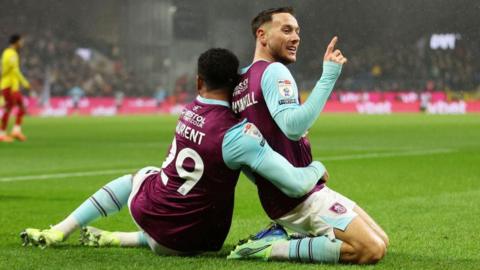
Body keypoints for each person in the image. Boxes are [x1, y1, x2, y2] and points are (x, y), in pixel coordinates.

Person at [21, 48, 329, 255]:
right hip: (201, 240)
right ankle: (122, 238)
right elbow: (296, 183)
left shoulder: (188, 111)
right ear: (235, 83)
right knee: (190, 205)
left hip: (156, 220)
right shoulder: (239, 134)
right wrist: (317, 168)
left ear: (198, 81)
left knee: (140, 177)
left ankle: (61, 231)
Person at [228, 7, 388, 264]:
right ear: (262, 35)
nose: (296, 37)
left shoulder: (240, 82)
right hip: (298, 195)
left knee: (382, 240)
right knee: (371, 250)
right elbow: (292, 126)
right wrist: (328, 76)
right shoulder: (275, 71)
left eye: (298, 31)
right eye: (286, 29)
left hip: (283, 192)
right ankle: (272, 247)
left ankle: (283, 235)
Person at [0, 34, 30, 142]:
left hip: (12, 86)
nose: (22, 44)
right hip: (9, 86)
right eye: (21, 42)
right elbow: (14, 70)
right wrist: (24, 81)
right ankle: (2, 134)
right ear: (16, 42)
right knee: (8, 108)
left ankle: (16, 131)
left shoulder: (7, 53)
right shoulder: (11, 54)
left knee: (21, 107)